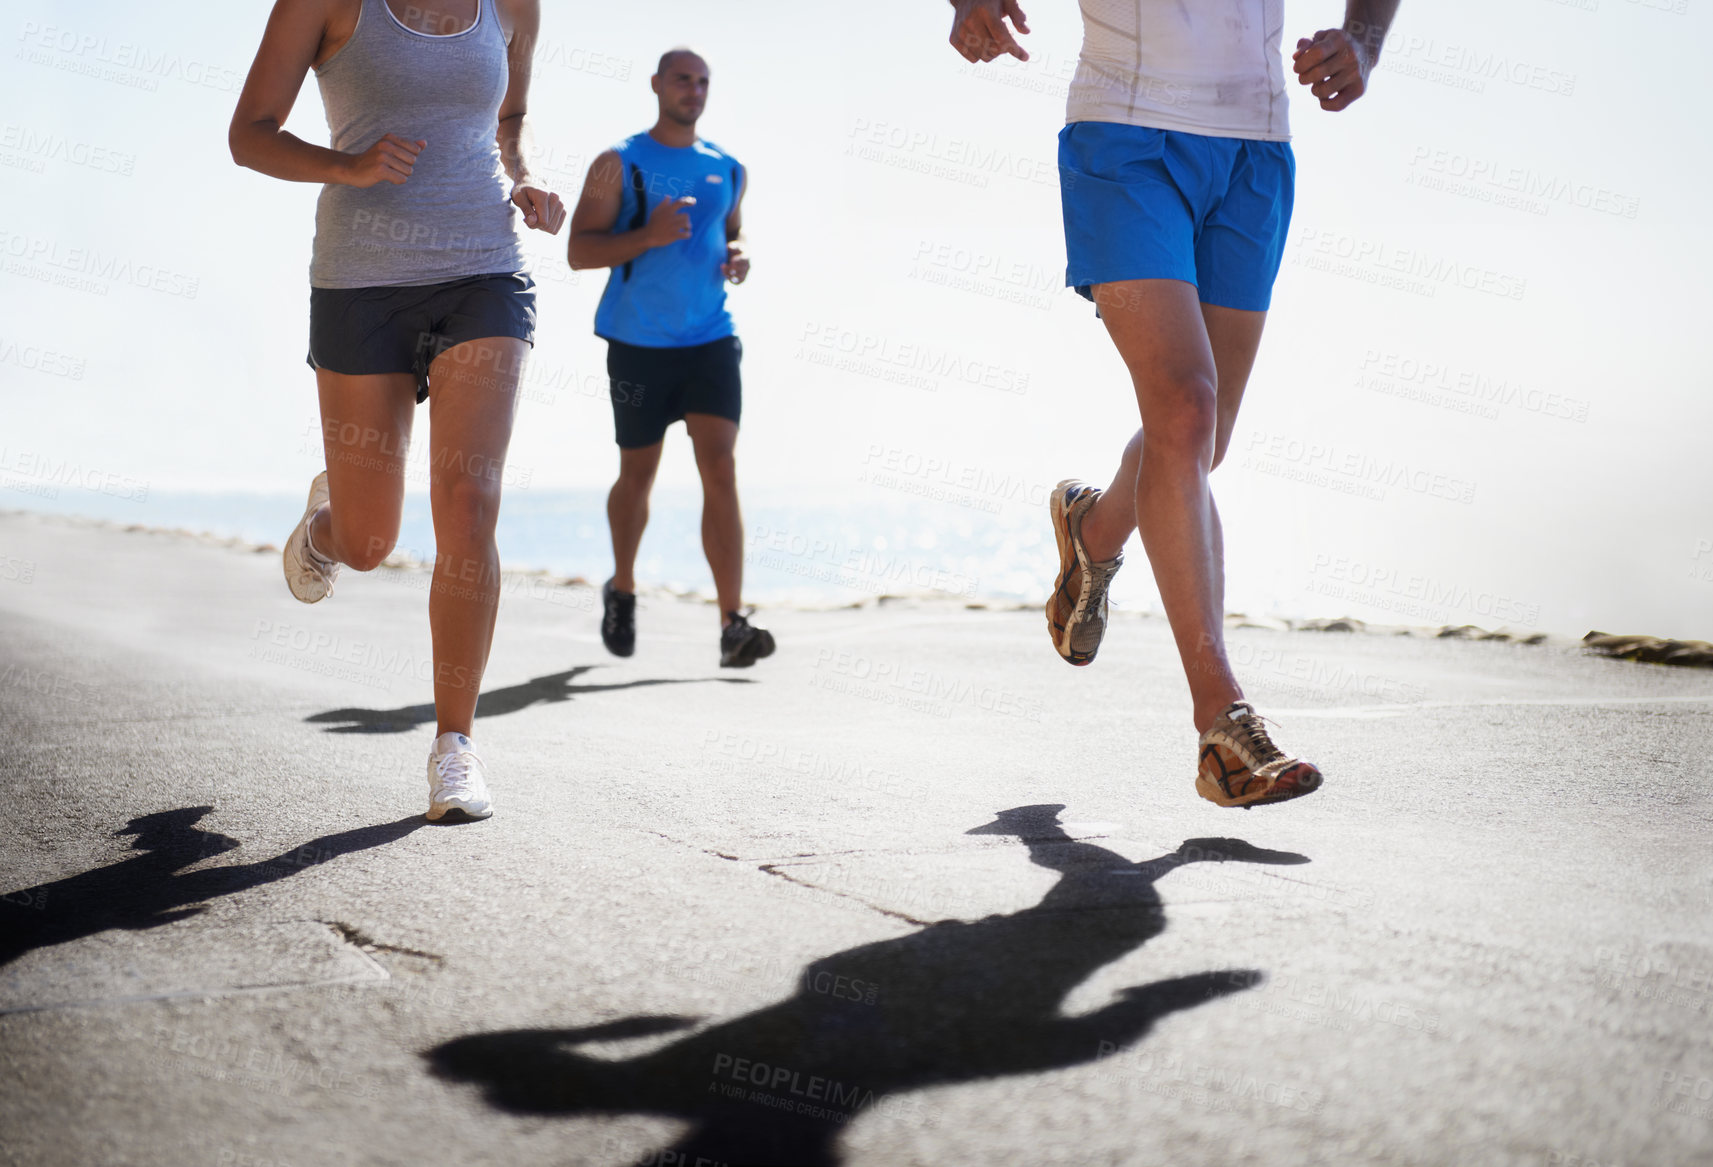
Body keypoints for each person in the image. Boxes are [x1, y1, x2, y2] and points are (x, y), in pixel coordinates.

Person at [947, 0, 1400, 807]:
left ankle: (1092, 530)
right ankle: (1222, 724)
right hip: (1124, 132)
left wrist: (1362, 40)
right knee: (1185, 410)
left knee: (1198, 441)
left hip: (1255, 147)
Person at [230, 0, 566, 821]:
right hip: (361, 282)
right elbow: (251, 133)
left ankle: (456, 747)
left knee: (467, 500)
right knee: (371, 541)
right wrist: (346, 167)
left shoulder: (514, 6)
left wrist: (521, 174)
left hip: (485, 271)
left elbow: (508, 116)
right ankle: (325, 530)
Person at [566, 48, 774, 669]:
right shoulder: (618, 162)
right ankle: (622, 586)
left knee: (720, 467)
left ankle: (732, 622)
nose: (694, 89)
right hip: (638, 344)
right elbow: (579, 250)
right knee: (639, 474)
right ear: (657, 85)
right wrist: (648, 236)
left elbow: (729, 231)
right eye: (682, 79)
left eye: (703, 81)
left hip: (710, 338)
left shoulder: (728, 167)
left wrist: (737, 259)